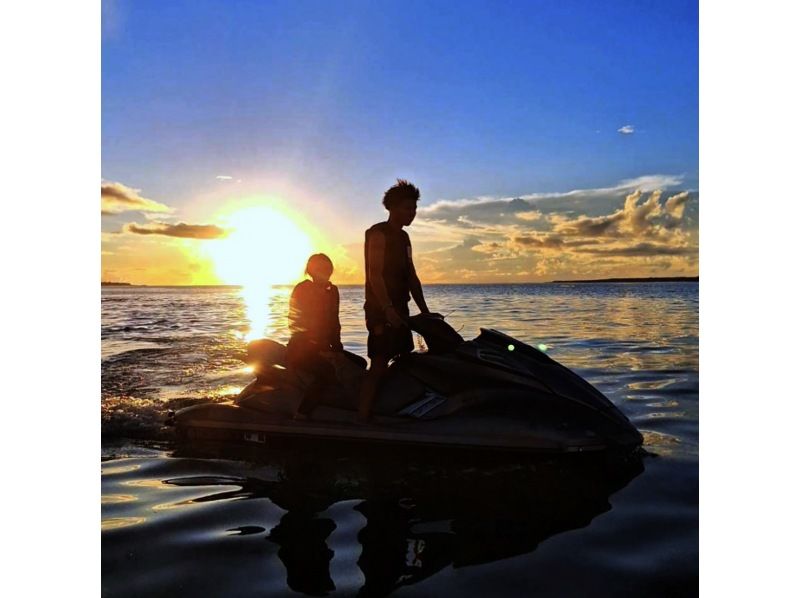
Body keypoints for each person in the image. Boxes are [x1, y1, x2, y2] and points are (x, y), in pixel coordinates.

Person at [358, 179, 437, 422]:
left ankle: (393, 409)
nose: (411, 213)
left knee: (404, 357)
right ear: (392, 208)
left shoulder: (404, 238)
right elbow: (375, 275)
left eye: (414, 209)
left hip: (400, 308)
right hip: (380, 310)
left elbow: (412, 276)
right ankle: (361, 418)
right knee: (380, 364)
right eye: (407, 208)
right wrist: (387, 308)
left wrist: (425, 312)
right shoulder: (378, 234)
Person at [287, 253, 343, 420]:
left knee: (358, 364)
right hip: (301, 349)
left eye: (327, 267)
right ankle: (302, 413)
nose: (325, 271)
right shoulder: (303, 289)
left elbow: (334, 320)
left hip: (324, 346)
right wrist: (319, 348)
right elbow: (299, 323)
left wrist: (337, 348)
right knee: (326, 372)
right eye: (320, 268)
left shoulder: (333, 290)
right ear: (311, 270)